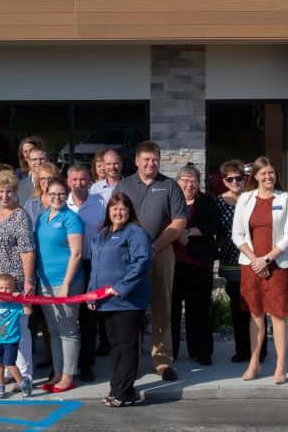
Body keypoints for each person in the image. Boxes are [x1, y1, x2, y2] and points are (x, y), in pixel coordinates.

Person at [113, 141, 188, 381]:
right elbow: (115, 217)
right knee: (131, 308)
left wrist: (155, 246)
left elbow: (178, 223)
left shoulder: (170, 186)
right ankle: (130, 362)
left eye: (154, 159)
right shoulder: (124, 185)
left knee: (162, 306)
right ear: (136, 161)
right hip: (130, 255)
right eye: (146, 159)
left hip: (161, 251)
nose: (150, 163)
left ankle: (162, 361)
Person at [232, 156, 288, 385]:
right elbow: (237, 234)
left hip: (276, 265)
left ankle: (281, 365)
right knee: (256, 315)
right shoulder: (245, 199)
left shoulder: (286, 199)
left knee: (279, 315)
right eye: (263, 173)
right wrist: (254, 259)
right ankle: (254, 361)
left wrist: (267, 259)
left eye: (271, 173)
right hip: (251, 266)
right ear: (256, 177)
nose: (268, 177)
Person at [88, 192, 152, 407]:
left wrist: (120, 287)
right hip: (105, 302)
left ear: (129, 211)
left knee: (126, 346)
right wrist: (91, 293)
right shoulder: (102, 234)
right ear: (108, 211)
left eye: (123, 208)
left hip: (128, 301)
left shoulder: (135, 233)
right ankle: (121, 389)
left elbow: (141, 263)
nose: (118, 212)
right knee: (115, 347)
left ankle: (122, 393)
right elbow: (95, 269)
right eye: (114, 208)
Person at [0, 170, 35, 396]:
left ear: (16, 193)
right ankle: (6, 372)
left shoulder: (20, 216)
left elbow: (27, 250)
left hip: (15, 282)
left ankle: (26, 375)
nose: (5, 196)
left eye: (9, 192)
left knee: (19, 331)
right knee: (1, 329)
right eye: (1, 191)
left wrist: (28, 281)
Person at [34, 178, 84, 393]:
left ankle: (68, 376)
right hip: (44, 283)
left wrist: (66, 284)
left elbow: (77, 253)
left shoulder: (71, 219)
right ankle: (57, 372)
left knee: (68, 329)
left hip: (65, 283)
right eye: (52, 193)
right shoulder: (41, 218)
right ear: (45, 194)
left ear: (67, 194)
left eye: (61, 193)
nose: (57, 197)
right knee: (54, 330)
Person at [216, 159, 265, 362]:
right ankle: (242, 349)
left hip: (254, 260)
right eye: (230, 179)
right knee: (238, 306)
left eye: (239, 178)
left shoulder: (254, 199)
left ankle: (260, 349)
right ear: (224, 181)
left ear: (245, 179)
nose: (235, 182)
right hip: (231, 261)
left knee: (256, 306)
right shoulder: (218, 203)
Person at [171, 164, 219, 366]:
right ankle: (170, 352)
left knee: (198, 310)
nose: (190, 184)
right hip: (173, 265)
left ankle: (201, 352)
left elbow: (213, 226)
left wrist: (189, 232)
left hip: (199, 264)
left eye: (194, 181)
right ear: (177, 182)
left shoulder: (207, 201)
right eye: (185, 180)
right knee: (172, 311)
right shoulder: (170, 200)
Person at [66, 164, 106, 381]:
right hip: (69, 266)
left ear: (89, 181)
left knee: (89, 318)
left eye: (83, 179)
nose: (79, 184)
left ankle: (87, 364)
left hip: (92, 264)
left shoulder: (100, 205)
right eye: (75, 180)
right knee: (68, 318)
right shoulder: (63, 204)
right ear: (68, 181)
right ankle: (66, 366)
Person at [0, 273, 25, 399]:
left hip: (11, 340)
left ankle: (23, 383)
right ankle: (0, 386)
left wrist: (21, 298)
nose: (4, 291)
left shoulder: (16, 305)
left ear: (13, 290)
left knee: (10, 364)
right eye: (1, 288)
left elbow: (28, 311)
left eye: (7, 288)